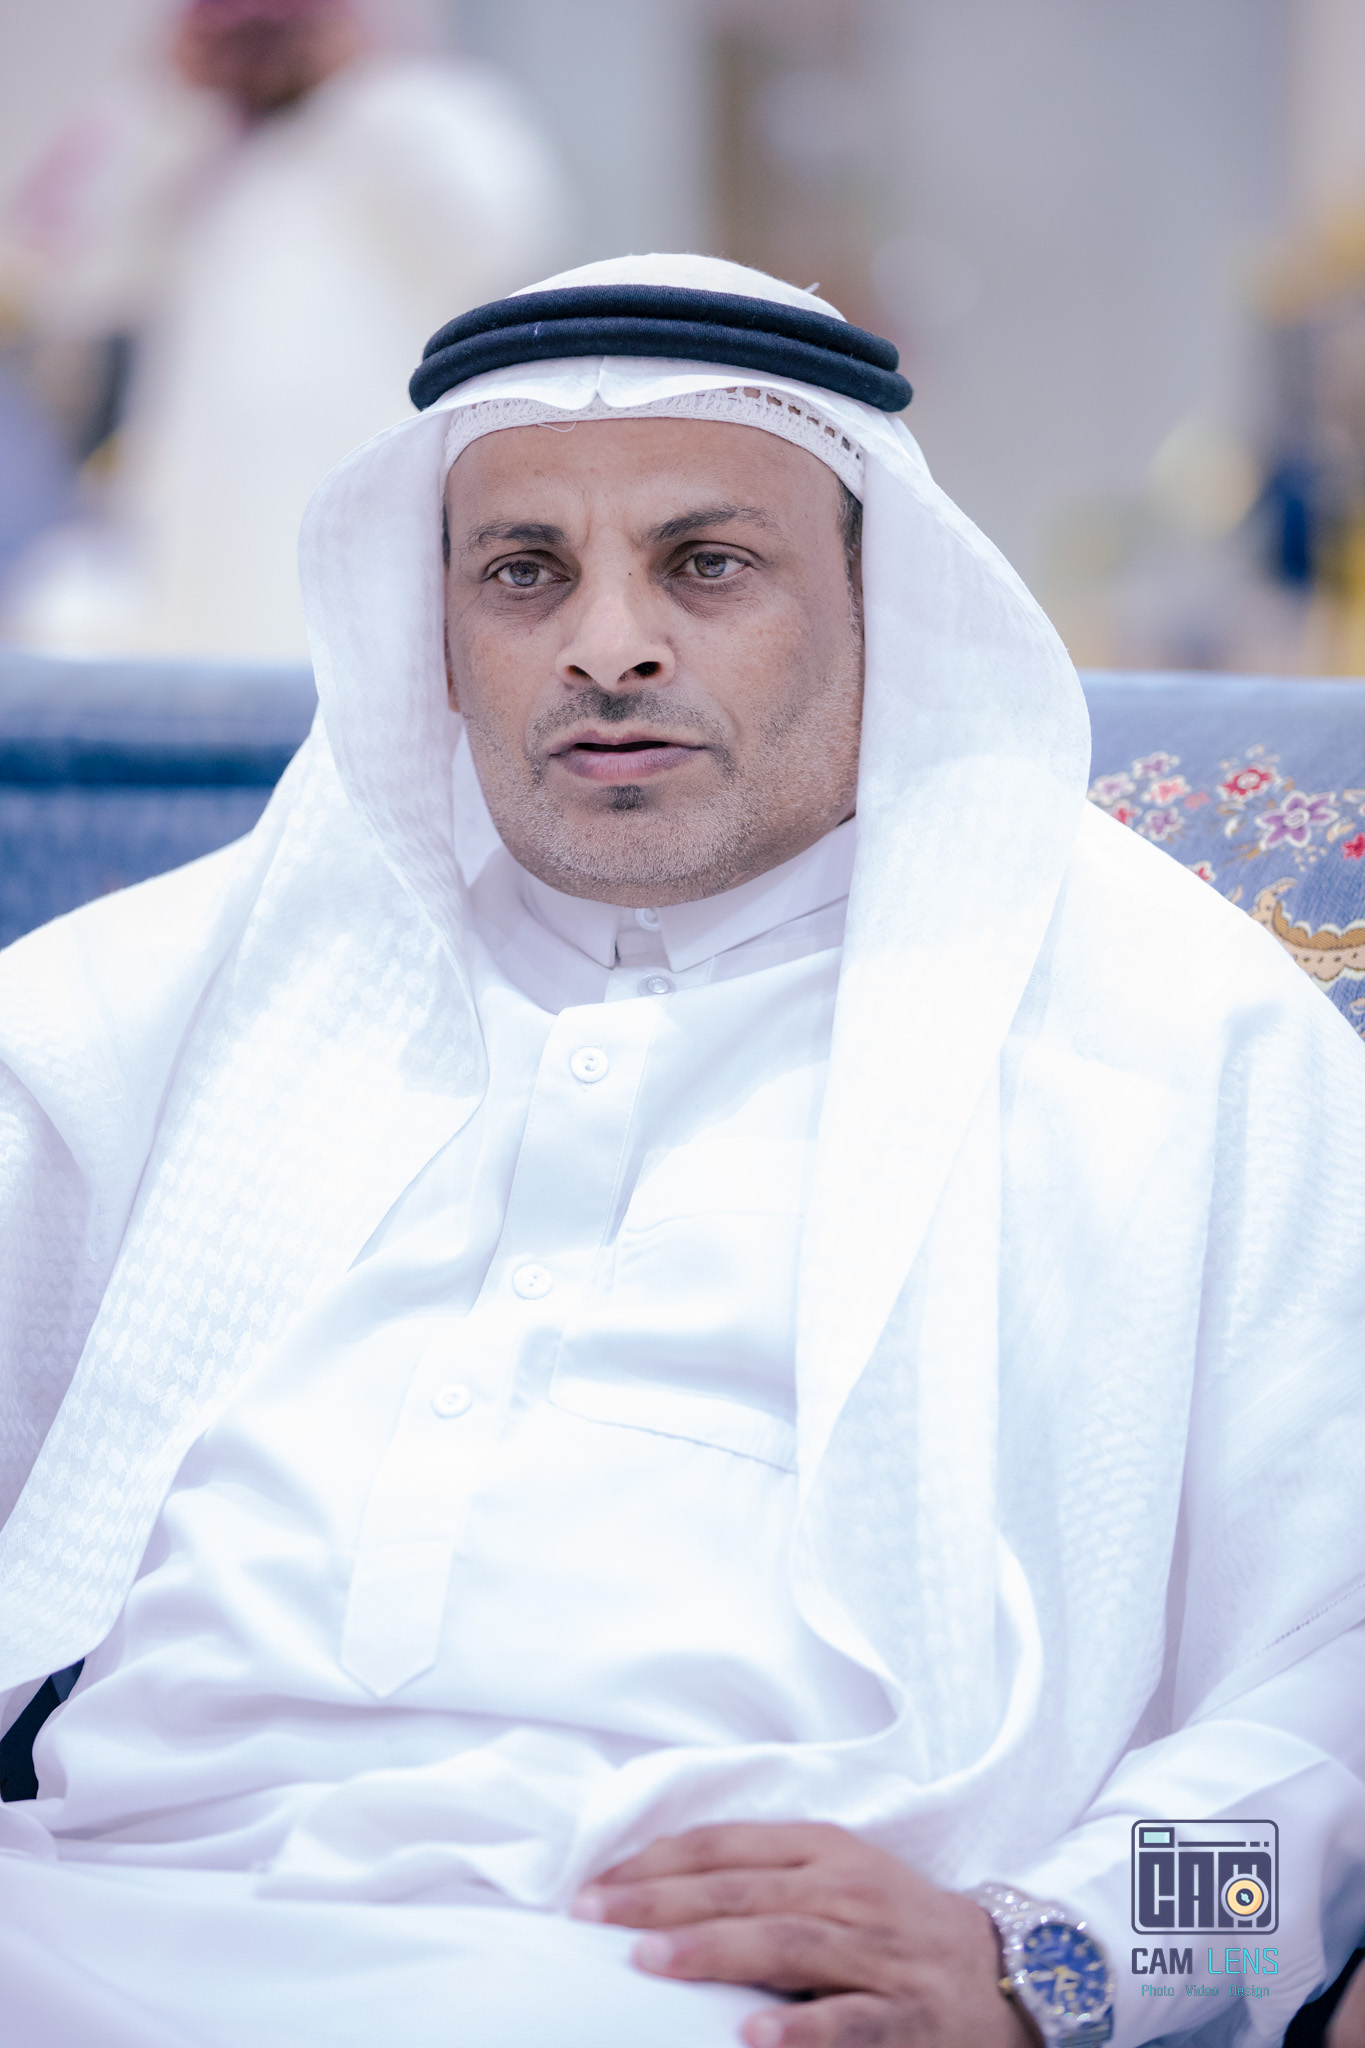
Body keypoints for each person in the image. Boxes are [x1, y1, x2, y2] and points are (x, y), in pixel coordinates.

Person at [1, 251, 1364, 2048]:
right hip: (88, 1917)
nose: (606, 643)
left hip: (682, 1993)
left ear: (879, 607)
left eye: (706, 563)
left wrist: (1063, 1961)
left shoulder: (1174, 1037)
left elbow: (1335, 1727)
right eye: (523, 571)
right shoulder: (148, 1002)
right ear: (439, 634)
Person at [0, 0, 569, 659]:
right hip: (210, 517)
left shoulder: (428, 108)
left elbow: (502, 241)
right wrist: (173, 104)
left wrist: (350, 84)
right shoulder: (201, 148)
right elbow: (81, 282)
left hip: (370, 491)